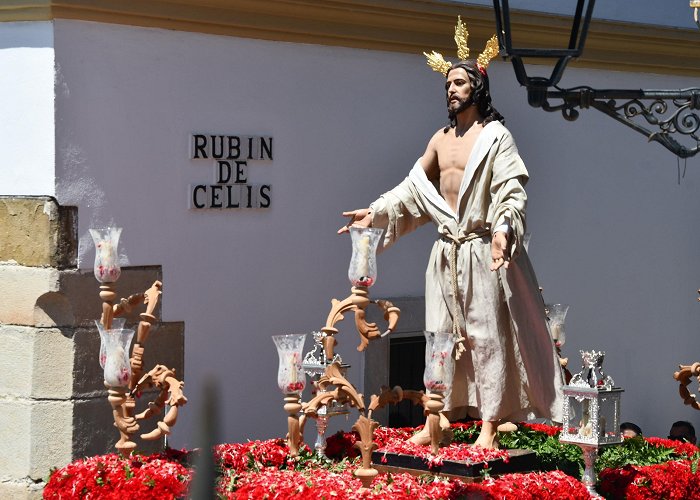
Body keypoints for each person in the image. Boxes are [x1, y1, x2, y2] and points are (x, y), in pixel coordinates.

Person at [339, 24, 564, 449]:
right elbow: (412, 190)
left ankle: (490, 424)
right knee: (438, 336)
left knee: (486, 336)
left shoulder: (496, 137)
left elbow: (512, 190)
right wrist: (376, 211)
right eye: (448, 84)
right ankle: (435, 417)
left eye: (459, 82)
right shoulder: (439, 141)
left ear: (478, 86)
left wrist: (502, 230)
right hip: (446, 254)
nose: (451, 90)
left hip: (482, 250)